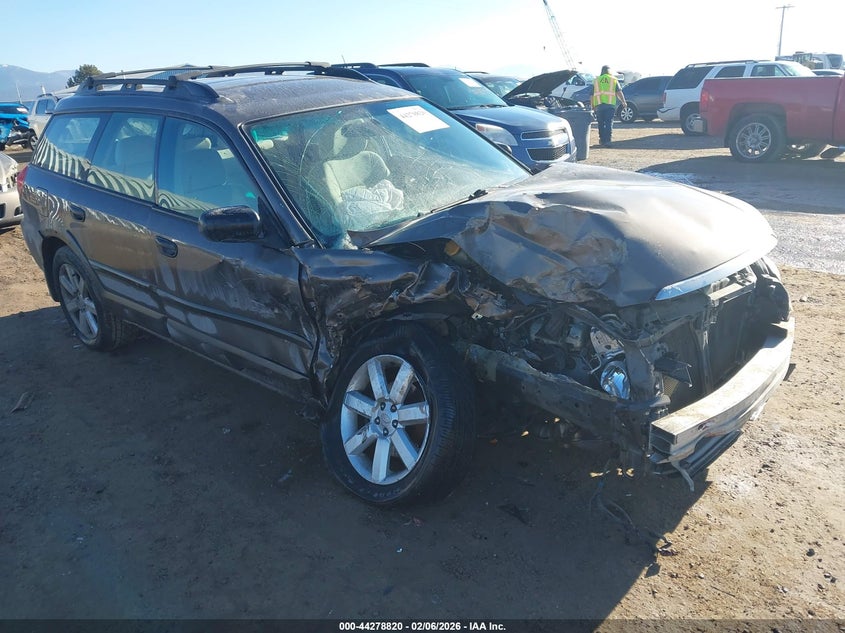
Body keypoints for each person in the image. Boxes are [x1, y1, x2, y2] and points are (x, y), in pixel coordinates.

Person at [591, 65, 627, 147]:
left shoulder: (596, 80)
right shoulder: (613, 80)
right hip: (610, 105)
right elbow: (619, 92)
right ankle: (608, 140)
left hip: (599, 105)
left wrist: (592, 105)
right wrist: (623, 102)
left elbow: (591, 95)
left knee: (600, 123)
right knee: (608, 122)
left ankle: (602, 140)